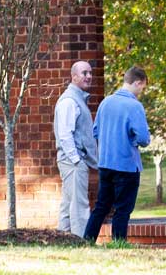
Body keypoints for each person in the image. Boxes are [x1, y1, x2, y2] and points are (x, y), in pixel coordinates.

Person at [82, 66, 151, 244]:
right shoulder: (135, 106)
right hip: (127, 165)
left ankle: (87, 241)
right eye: (142, 87)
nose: (141, 92)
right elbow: (143, 138)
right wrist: (133, 141)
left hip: (105, 164)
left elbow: (95, 131)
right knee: (123, 209)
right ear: (137, 82)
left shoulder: (106, 102)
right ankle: (119, 244)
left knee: (101, 207)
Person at [54, 60, 97, 237]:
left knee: (68, 202)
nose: (88, 76)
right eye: (84, 73)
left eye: (90, 73)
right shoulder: (69, 101)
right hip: (73, 161)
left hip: (73, 161)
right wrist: (76, 160)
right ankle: (82, 242)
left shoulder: (77, 99)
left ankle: (62, 239)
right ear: (73, 77)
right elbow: (65, 134)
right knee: (79, 204)